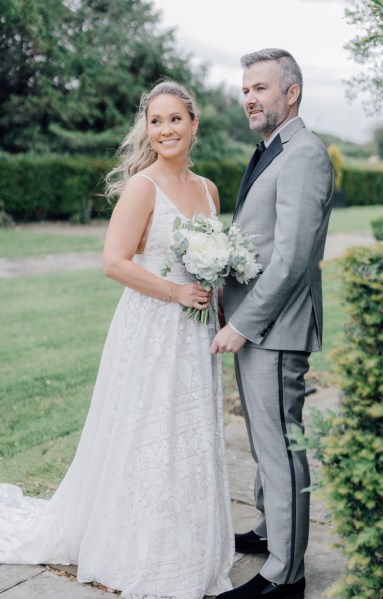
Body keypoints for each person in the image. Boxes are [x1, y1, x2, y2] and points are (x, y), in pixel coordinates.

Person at [0, 80, 234, 599]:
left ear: (195, 124)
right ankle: (140, 549)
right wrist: (175, 291)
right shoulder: (142, 187)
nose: (166, 129)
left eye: (176, 119)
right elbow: (114, 262)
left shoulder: (210, 189)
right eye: (156, 120)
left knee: (188, 435)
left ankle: (191, 546)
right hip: (151, 329)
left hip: (194, 338)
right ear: (146, 130)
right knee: (147, 433)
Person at [210, 49, 334, 599]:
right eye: (245, 90)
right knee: (266, 442)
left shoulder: (305, 154)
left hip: (275, 328)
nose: (249, 99)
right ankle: (269, 531)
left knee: (282, 447)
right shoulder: (269, 150)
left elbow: (292, 259)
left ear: (292, 93)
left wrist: (244, 324)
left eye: (260, 87)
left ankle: (285, 576)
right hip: (254, 323)